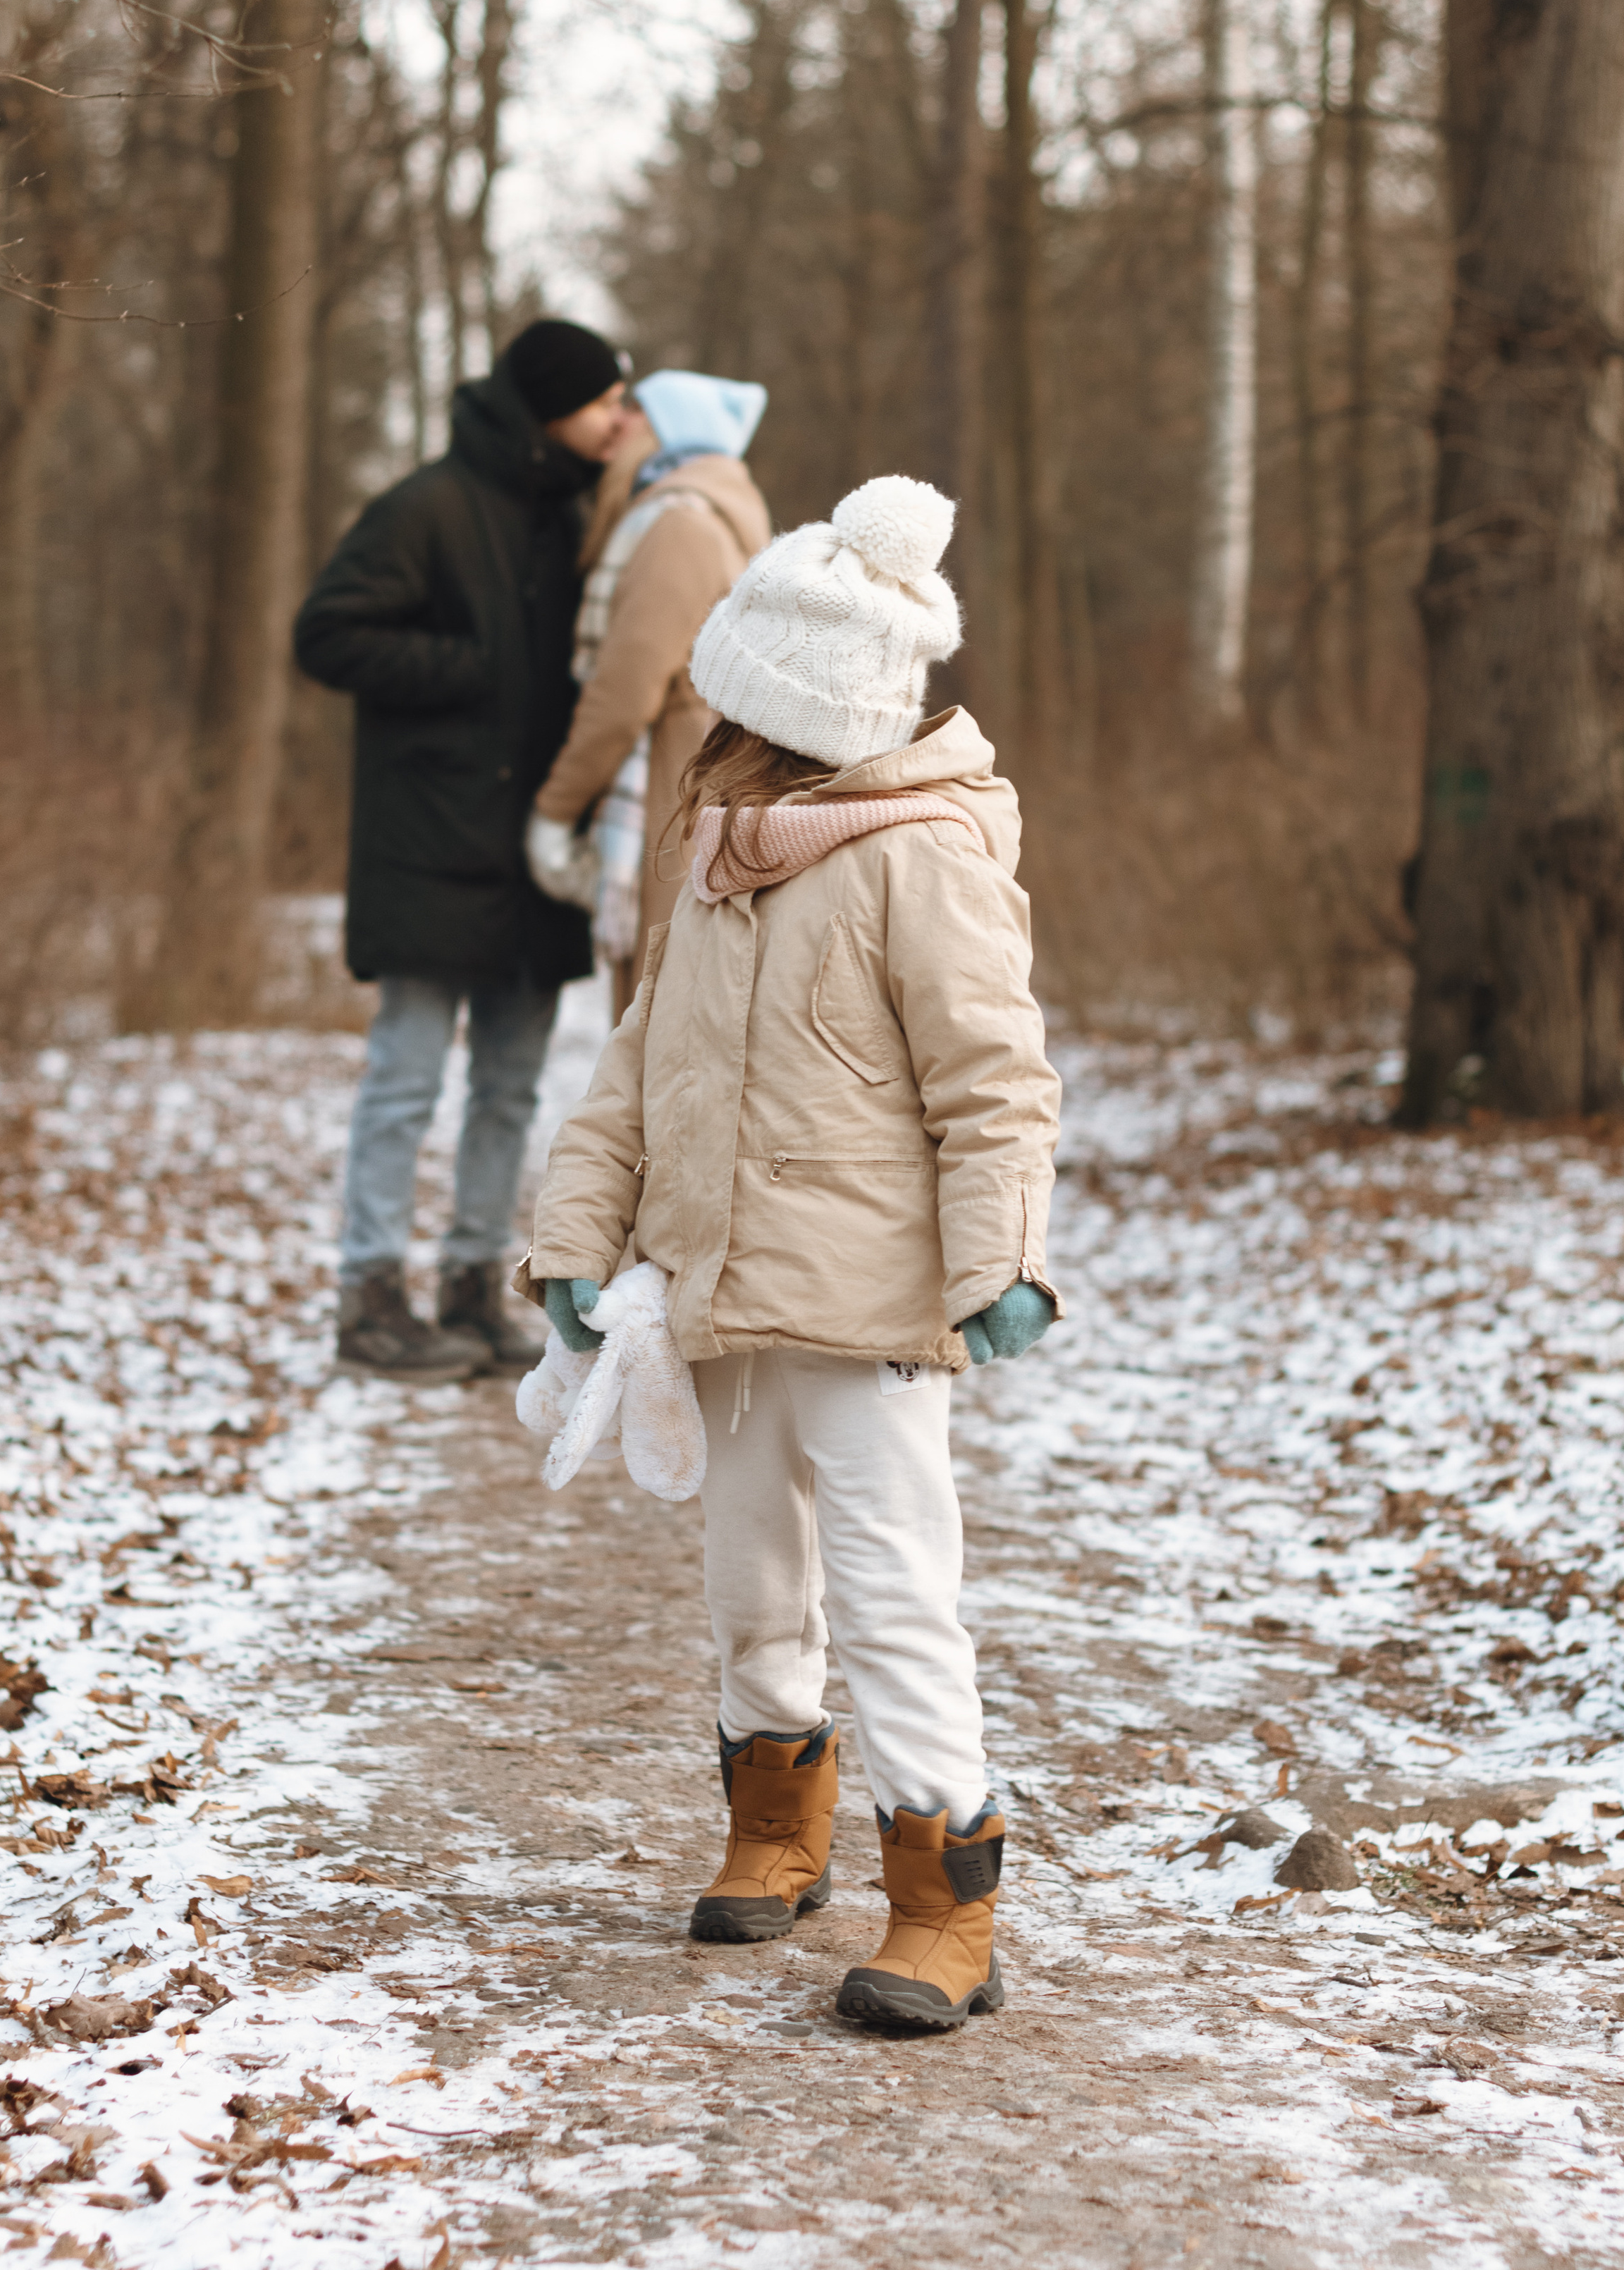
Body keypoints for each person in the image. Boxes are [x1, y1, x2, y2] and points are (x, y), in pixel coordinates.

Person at [514, 474, 1062, 2032]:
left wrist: (998, 1261)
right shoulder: (717, 852)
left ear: (817, 713)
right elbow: (636, 1061)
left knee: (893, 1591)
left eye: (744, 717)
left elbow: (991, 1079)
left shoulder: (921, 855)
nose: (718, 742)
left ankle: (944, 1901)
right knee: (749, 1578)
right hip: (716, 1291)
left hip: (875, 1303)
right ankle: (773, 1828)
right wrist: (579, 1232)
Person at [294, 317, 628, 1382]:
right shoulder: (427, 506)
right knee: (405, 1077)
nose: (621, 417)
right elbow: (328, 632)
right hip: (432, 841)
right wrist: (472, 670)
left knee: (511, 1086)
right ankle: (369, 1298)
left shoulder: (575, 511)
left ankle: (475, 1290)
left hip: (535, 852)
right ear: (551, 406)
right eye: (604, 399)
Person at [523, 370, 771, 1017]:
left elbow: (623, 693)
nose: (619, 422)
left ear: (669, 430)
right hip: (696, 798)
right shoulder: (709, 514)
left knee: (657, 1034)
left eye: (635, 409)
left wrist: (556, 810)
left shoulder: (678, 526)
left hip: (673, 804)